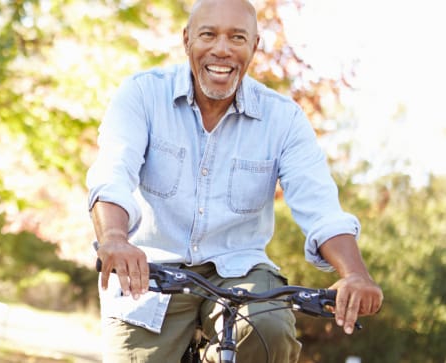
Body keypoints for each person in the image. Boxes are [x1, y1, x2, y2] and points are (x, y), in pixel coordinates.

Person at [85, 0, 384, 361]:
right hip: (150, 271)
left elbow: (320, 205)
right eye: (208, 35)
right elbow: (112, 173)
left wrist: (354, 273)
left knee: (270, 328)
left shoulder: (284, 119)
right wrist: (115, 238)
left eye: (237, 37)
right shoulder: (142, 95)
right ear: (187, 40)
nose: (221, 49)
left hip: (239, 272)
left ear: (254, 46)